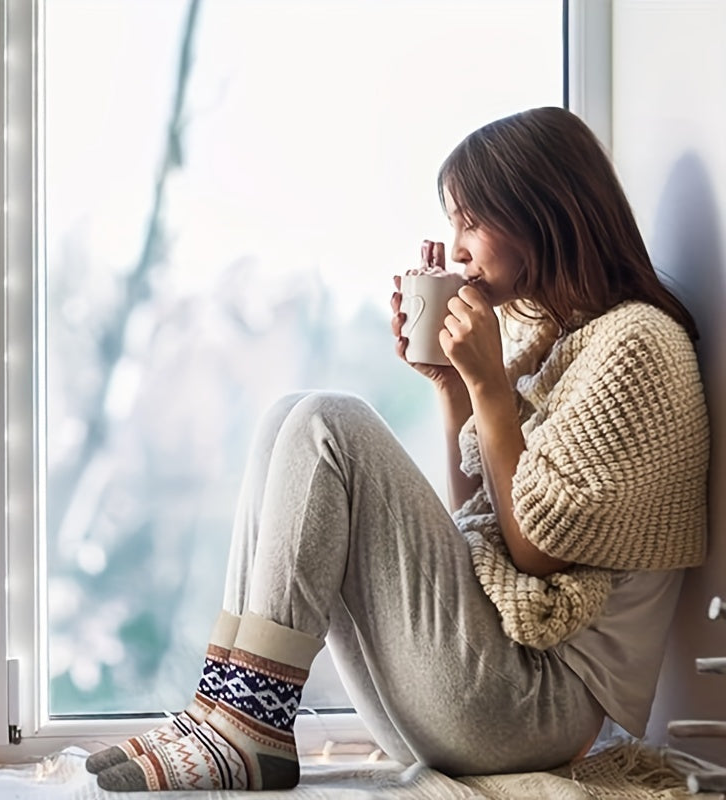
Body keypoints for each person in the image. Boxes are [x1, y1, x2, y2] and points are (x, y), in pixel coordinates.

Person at [86, 106, 709, 793]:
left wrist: (490, 389)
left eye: (472, 220)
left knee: (332, 420)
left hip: (547, 708)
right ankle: (229, 706)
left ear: (544, 211)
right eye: (454, 223)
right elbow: (486, 525)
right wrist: (454, 389)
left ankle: (246, 723)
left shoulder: (639, 346)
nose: (458, 244)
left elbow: (537, 550)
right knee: (286, 418)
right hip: (486, 702)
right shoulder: (554, 346)